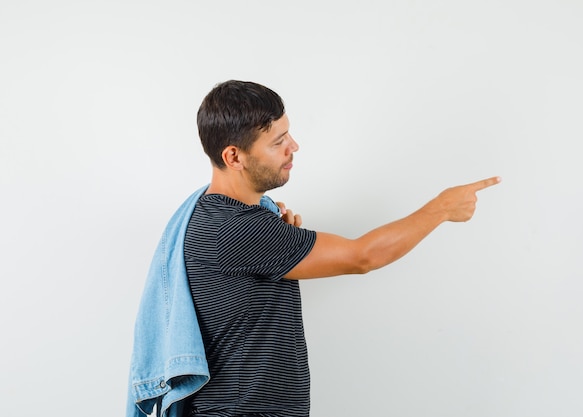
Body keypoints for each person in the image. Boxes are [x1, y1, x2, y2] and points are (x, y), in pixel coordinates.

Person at [183, 80, 500, 417]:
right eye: (278, 142)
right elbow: (363, 256)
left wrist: (282, 244)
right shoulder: (239, 229)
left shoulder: (217, 214)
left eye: (288, 133)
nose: (295, 146)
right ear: (233, 156)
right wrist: (442, 208)